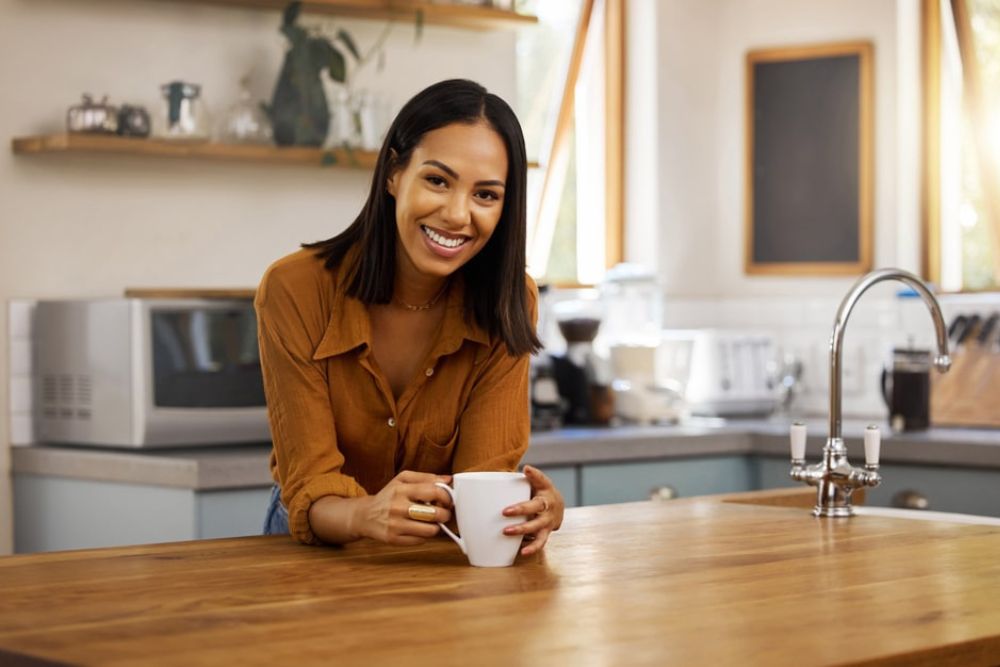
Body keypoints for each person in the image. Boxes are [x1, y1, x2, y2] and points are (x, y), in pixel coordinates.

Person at [255, 79, 565, 556]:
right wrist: (365, 514)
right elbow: (310, 486)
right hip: (318, 547)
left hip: (435, 553)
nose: (458, 215)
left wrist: (524, 510)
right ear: (394, 173)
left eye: (486, 195)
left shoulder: (508, 300)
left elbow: (482, 477)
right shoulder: (295, 290)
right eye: (437, 181)